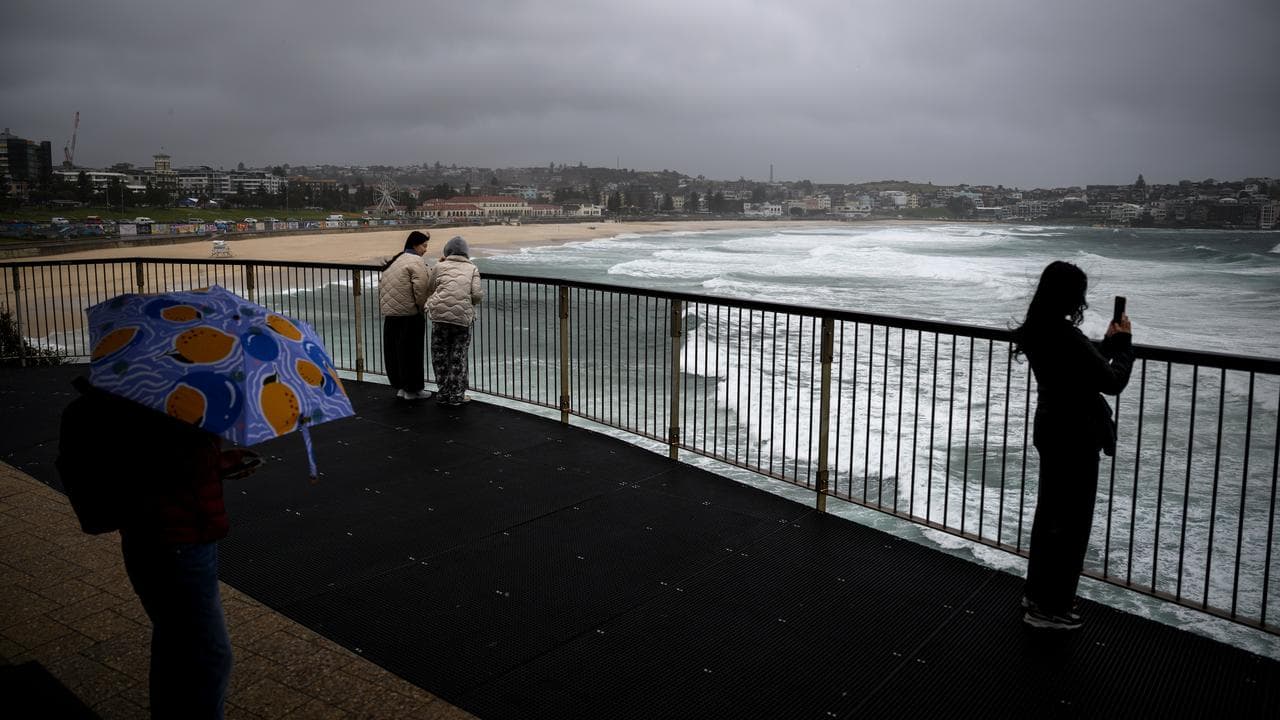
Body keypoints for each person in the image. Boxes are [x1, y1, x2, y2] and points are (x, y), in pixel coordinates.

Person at [58, 377, 259, 719]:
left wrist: (220, 463)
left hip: (156, 539)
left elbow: (160, 468)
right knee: (207, 656)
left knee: (176, 643)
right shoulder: (158, 402)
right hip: (177, 542)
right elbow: (161, 467)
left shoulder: (138, 396)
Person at [1013, 261, 1133, 631]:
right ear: (1070, 296)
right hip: (1075, 433)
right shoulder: (1066, 336)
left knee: (1050, 515)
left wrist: (1106, 346)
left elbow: (1077, 364)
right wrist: (1124, 347)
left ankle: (1038, 597)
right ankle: (1051, 608)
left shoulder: (1037, 330)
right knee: (1072, 522)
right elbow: (1112, 381)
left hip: (1050, 425)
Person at [425, 235, 484, 406]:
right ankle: (457, 395)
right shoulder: (473, 269)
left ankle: (443, 393)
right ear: (466, 253)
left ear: (447, 251)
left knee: (439, 354)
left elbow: (430, 287)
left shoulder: (439, 266)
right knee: (458, 356)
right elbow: (477, 294)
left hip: (440, 316)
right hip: (462, 318)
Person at [380, 230, 432, 400]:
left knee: (396, 353)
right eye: (424, 246)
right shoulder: (416, 262)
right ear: (415, 245)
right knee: (412, 353)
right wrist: (422, 308)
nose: (425, 250)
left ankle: (401, 387)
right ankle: (413, 389)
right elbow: (421, 289)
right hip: (409, 315)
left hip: (391, 314)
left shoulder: (396, 260)